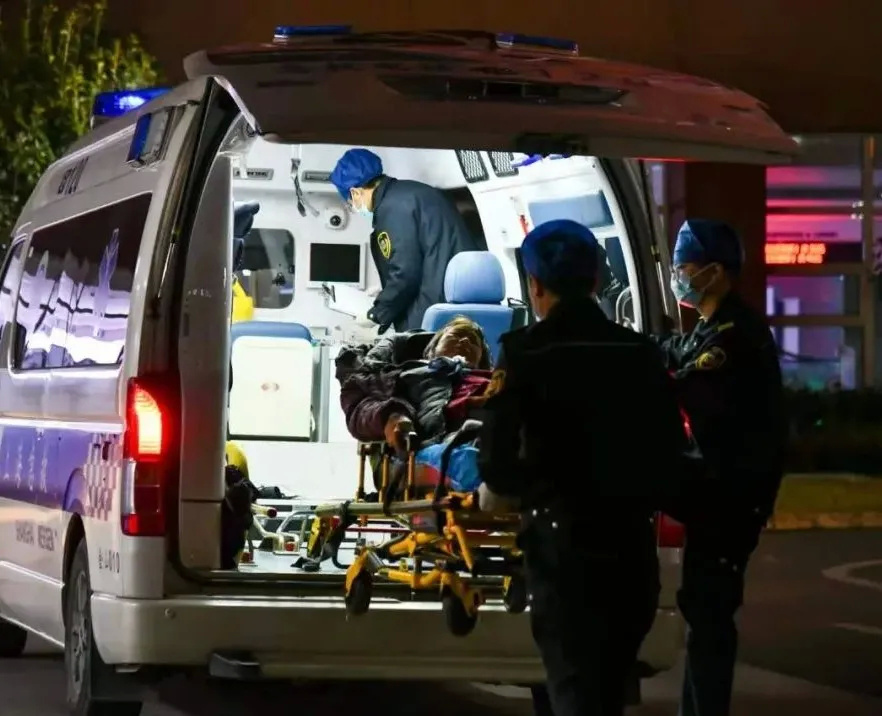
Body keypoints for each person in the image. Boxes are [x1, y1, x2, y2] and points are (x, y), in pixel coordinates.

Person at [476, 219, 693, 716]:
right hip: (630, 556)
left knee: (572, 690)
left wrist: (528, 491)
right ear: (596, 279)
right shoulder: (639, 353)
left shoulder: (524, 352)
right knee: (606, 692)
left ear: (535, 285)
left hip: (563, 558)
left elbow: (497, 464)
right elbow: (670, 453)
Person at [659, 219, 786, 716]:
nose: (678, 276)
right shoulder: (714, 328)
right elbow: (675, 353)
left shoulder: (734, 337)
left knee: (710, 615)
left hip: (730, 498)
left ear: (714, 272)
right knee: (703, 610)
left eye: (683, 267)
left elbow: (686, 387)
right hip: (719, 494)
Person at [336, 315, 495, 493]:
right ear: (431, 350)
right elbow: (361, 406)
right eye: (455, 335)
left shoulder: (494, 380)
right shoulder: (406, 375)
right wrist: (392, 417)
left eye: (474, 342)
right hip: (431, 447)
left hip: (494, 439)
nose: (465, 341)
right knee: (472, 461)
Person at [329, 148, 479, 332]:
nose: (353, 207)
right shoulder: (412, 192)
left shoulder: (391, 209)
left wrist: (376, 314)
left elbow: (405, 272)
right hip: (456, 300)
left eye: (350, 203)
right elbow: (419, 256)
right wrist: (384, 292)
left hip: (435, 314)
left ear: (355, 193)